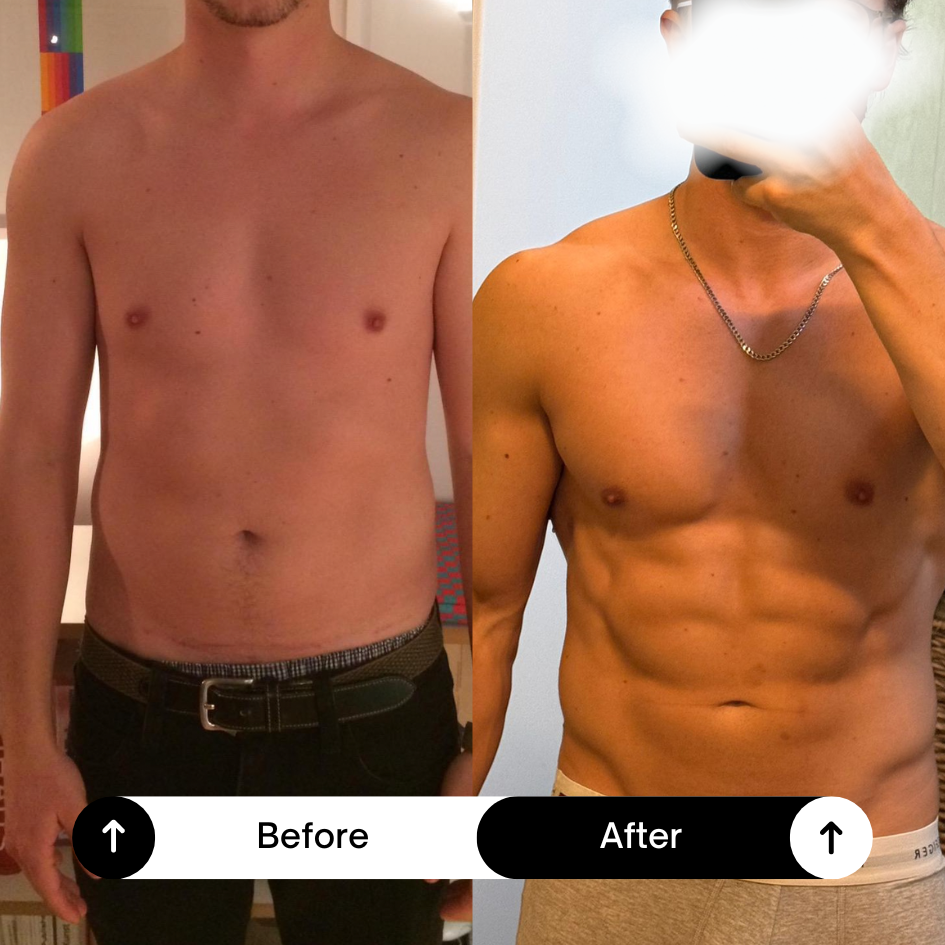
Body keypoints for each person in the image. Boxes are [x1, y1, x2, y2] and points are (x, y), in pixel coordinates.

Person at [0, 0, 471, 942]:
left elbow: (490, 456)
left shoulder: (447, 146)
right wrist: (24, 742)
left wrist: (491, 734)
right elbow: (32, 453)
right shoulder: (73, 152)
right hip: (141, 723)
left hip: (377, 716)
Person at [474, 0, 945, 940]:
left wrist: (878, 226)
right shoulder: (542, 296)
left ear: (885, 52)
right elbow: (487, 616)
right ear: (679, 39)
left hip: (861, 864)